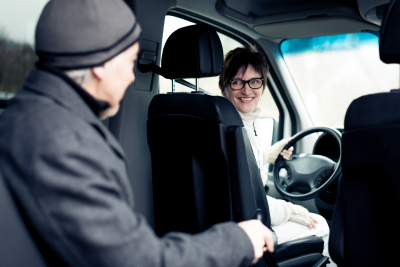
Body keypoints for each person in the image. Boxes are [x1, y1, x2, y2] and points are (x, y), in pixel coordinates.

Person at [0, 1, 275, 267]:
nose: (132, 77)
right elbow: (140, 261)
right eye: (130, 61)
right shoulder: (63, 142)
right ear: (102, 64)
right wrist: (239, 240)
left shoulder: (24, 115)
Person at [219, 46, 335, 266]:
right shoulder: (235, 128)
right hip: (245, 226)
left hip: (223, 221)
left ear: (263, 86)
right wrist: (291, 210)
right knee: (321, 224)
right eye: (237, 82)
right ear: (225, 84)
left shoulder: (219, 119)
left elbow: (237, 167)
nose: (247, 90)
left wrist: (268, 155)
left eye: (255, 82)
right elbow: (249, 201)